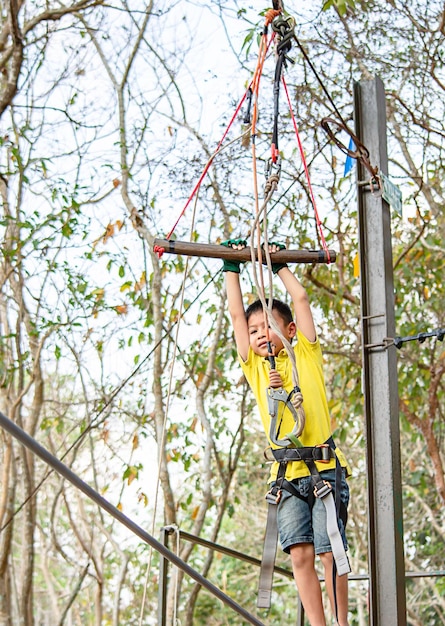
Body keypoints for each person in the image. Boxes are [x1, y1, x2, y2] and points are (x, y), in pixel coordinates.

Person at [222, 239, 351, 626]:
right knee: (299, 555)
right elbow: (234, 315)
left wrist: (278, 264)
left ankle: (341, 622)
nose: (261, 333)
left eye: (269, 326)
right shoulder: (257, 369)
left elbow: (301, 298)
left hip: (323, 468)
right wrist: (232, 269)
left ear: (290, 330)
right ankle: (318, 623)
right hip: (287, 476)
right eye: (255, 329)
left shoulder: (305, 353)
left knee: (330, 552)